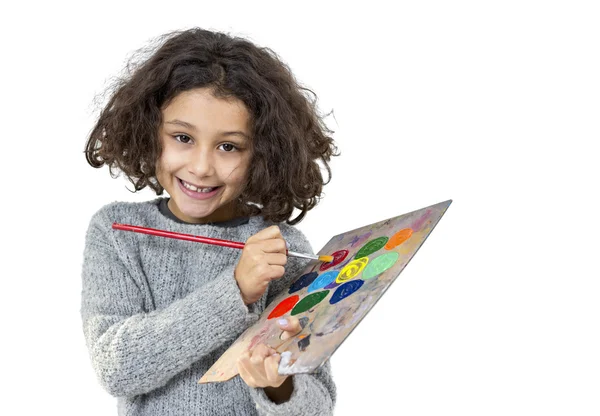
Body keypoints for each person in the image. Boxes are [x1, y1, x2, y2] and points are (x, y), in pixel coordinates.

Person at [81, 27, 338, 415]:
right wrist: (236, 291)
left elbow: (319, 406)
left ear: (263, 153)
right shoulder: (117, 233)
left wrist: (280, 386)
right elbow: (116, 368)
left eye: (228, 146)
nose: (201, 167)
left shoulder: (280, 249)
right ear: (150, 133)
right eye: (183, 138)